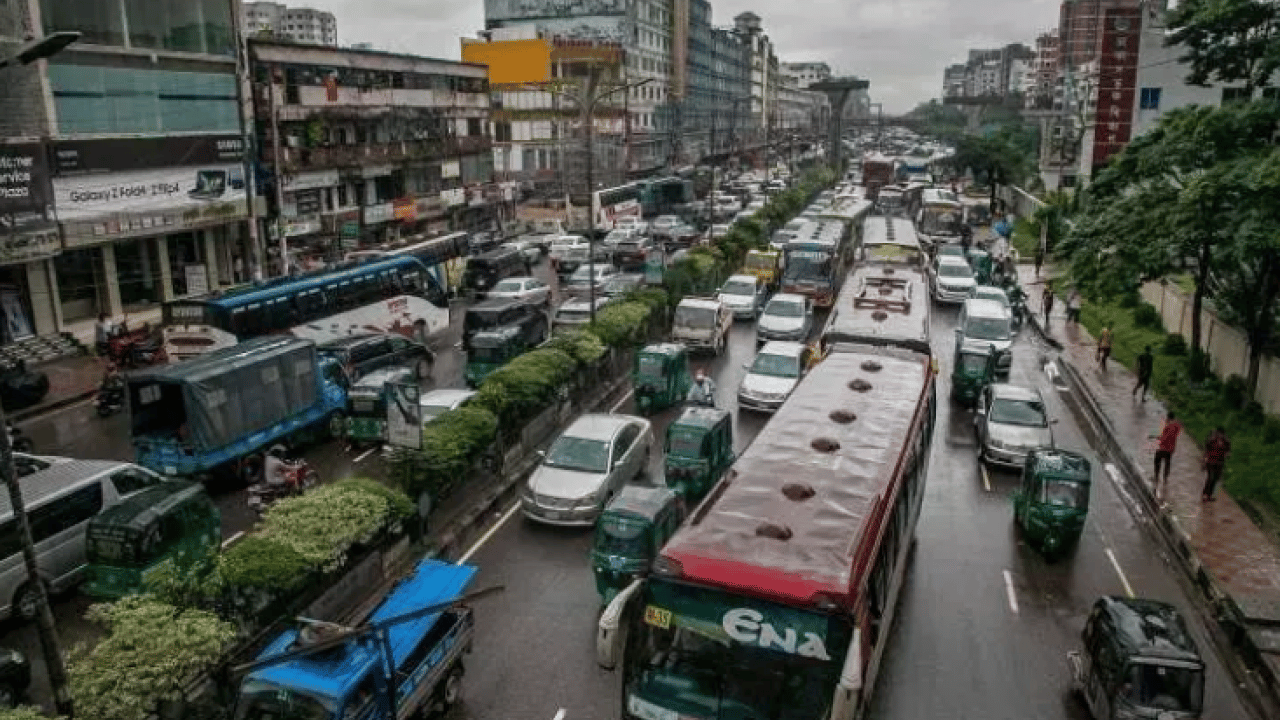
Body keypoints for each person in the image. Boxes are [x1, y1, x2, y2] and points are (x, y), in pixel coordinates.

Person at [1153, 411, 1181, 502]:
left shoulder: (1168, 426)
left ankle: (1156, 477)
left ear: (1169, 418)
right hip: (1171, 448)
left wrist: (1159, 438)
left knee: (1157, 461)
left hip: (1163, 448)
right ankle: (1165, 478)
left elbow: (1165, 437)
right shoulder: (1177, 426)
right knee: (1167, 463)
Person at [1201, 426, 1231, 501]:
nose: (1219, 435)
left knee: (1215, 479)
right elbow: (1206, 451)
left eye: (1221, 434)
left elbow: (1228, 451)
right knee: (1210, 478)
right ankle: (1205, 494)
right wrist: (1204, 461)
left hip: (1219, 463)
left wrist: (1226, 455)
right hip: (1211, 462)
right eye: (1218, 433)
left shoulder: (1226, 442)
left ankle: (1210, 495)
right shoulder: (1212, 440)